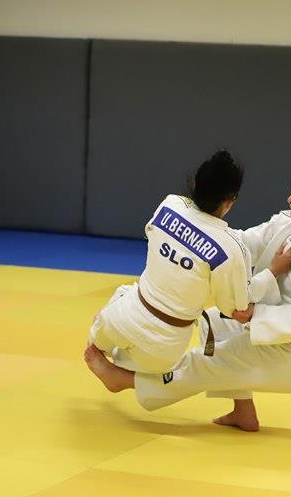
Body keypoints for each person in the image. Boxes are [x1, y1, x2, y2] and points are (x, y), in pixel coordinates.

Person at [85, 140, 291, 431]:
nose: (290, 199)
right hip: (280, 333)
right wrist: (201, 235)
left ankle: (126, 381)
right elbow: (243, 243)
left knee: (206, 362)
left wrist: (255, 314)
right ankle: (243, 411)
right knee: (213, 324)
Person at [85, 149, 251, 375]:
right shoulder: (231, 248)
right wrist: (271, 274)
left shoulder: (170, 204)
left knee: (121, 296)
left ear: (195, 184)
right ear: (230, 201)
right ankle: (125, 376)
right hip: (164, 351)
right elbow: (233, 310)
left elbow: (152, 234)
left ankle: (103, 347)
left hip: (121, 320)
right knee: (168, 375)